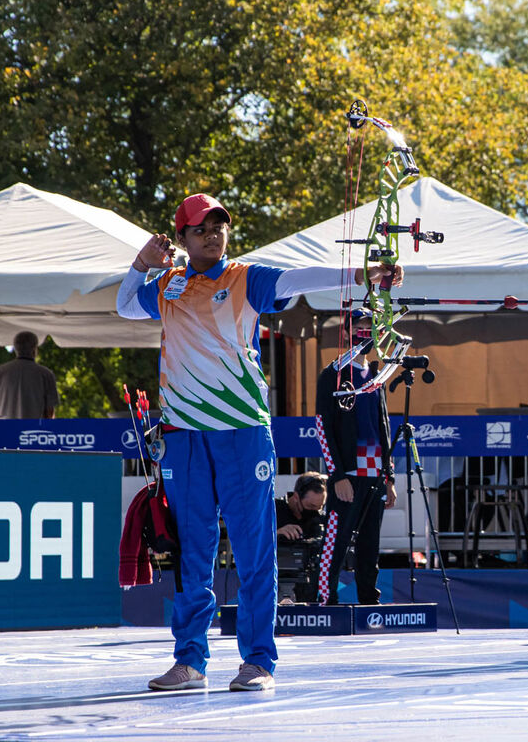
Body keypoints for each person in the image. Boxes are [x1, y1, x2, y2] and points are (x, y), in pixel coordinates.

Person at [116, 193, 402, 692]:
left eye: (220, 225)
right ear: (181, 237)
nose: (213, 233)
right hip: (184, 437)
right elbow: (123, 305)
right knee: (192, 555)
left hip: (243, 434)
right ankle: (190, 661)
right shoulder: (167, 283)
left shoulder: (244, 278)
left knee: (253, 551)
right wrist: (142, 262)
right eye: (201, 227)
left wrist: (363, 274)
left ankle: (258, 662)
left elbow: (297, 278)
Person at [313, 326, 397, 606]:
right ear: (347, 334)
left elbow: (383, 426)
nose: (366, 337)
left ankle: (369, 601)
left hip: (375, 474)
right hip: (347, 475)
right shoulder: (333, 374)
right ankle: (326, 599)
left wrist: (389, 477)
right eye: (359, 330)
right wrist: (336, 475)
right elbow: (322, 426)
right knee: (336, 541)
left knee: (370, 544)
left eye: (371, 330)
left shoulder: (376, 375)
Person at [0, 331, 59, 419]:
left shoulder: (0, 372)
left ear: (16, 349)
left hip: (6, 430)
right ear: (34, 349)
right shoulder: (45, 374)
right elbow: (49, 412)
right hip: (32, 430)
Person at [276, 472, 328, 541]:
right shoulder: (272, 511)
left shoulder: (322, 519)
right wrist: (275, 534)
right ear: (296, 497)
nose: (315, 512)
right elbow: (257, 540)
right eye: (310, 506)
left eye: (320, 507)